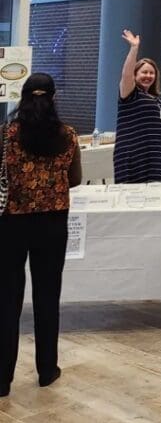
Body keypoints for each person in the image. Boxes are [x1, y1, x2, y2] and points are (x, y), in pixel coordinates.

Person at [0, 74, 81, 396]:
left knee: (6, 299)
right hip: (53, 223)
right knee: (48, 296)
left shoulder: (7, 134)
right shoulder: (68, 135)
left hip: (11, 223)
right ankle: (47, 369)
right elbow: (74, 179)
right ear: (54, 97)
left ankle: (2, 379)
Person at [113, 29, 161, 184]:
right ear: (136, 75)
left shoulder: (160, 102)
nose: (148, 76)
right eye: (144, 72)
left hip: (155, 157)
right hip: (134, 156)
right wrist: (134, 49)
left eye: (152, 73)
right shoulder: (131, 94)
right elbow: (126, 75)